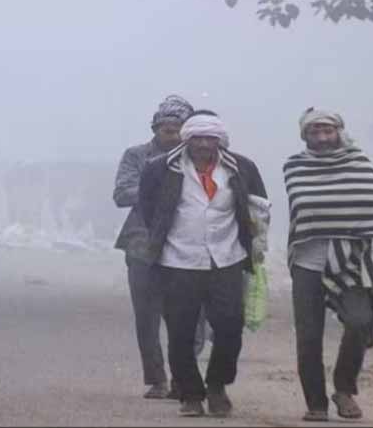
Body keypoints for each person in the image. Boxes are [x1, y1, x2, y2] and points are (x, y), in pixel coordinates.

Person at [284, 108, 373, 422]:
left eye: (327, 131)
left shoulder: (360, 164)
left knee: (359, 321)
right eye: (314, 132)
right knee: (309, 337)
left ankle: (344, 388)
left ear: (339, 132)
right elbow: (305, 209)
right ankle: (316, 404)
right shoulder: (296, 167)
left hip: (351, 263)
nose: (322, 137)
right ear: (305, 136)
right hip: (308, 262)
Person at [135, 110, 268, 417]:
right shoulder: (160, 168)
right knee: (181, 331)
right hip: (177, 260)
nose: (204, 144)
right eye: (198, 138)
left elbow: (258, 207)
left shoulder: (242, 167)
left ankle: (217, 386)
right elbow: (148, 207)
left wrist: (256, 246)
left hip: (227, 259)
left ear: (219, 140)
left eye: (210, 138)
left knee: (230, 326)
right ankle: (191, 395)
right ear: (187, 139)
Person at [114, 95, 213, 399]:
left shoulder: (201, 158)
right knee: (147, 316)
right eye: (164, 127)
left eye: (177, 127)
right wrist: (163, 189)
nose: (170, 132)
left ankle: (183, 377)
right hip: (142, 242)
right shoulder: (137, 156)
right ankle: (157, 379)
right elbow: (122, 193)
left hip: (187, 243)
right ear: (155, 128)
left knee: (191, 315)